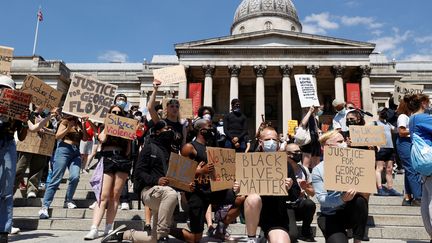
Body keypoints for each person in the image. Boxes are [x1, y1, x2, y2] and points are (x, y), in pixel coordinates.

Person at [101, 120, 183, 243]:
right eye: (167, 129)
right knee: (171, 194)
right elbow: (138, 172)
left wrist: (186, 186)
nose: (170, 131)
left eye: (172, 129)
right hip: (149, 192)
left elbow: (176, 178)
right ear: (157, 132)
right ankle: (163, 235)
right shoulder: (149, 148)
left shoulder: (172, 152)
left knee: (152, 239)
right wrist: (156, 180)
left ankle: (123, 235)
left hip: (165, 195)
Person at [170, 119, 244, 242]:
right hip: (197, 194)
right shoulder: (189, 147)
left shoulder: (212, 147)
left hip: (213, 190)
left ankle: (220, 229)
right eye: (210, 126)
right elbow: (178, 174)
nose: (212, 129)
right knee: (195, 238)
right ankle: (165, 229)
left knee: (240, 198)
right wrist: (200, 171)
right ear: (202, 130)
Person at [242, 126, 300, 243]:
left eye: (275, 140)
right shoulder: (249, 162)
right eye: (268, 139)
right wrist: (238, 189)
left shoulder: (285, 164)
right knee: (253, 198)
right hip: (254, 212)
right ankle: (251, 238)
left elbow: (295, 195)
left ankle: (265, 237)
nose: (272, 143)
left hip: (276, 214)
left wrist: (289, 187)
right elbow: (239, 194)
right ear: (260, 142)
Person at [84, 105, 132, 240]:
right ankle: (94, 228)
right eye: (113, 112)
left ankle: (108, 227)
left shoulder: (126, 127)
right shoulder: (105, 126)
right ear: (109, 114)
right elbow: (102, 139)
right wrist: (108, 124)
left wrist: (128, 136)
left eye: (119, 112)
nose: (116, 114)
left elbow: (128, 151)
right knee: (103, 195)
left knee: (115, 195)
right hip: (108, 158)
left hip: (121, 159)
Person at [312, 130, 368, 243]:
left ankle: (358, 240)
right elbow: (322, 199)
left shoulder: (356, 163)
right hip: (330, 215)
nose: (344, 144)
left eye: (344, 141)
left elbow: (366, 192)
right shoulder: (318, 170)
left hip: (349, 212)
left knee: (360, 201)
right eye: (340, 141)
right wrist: (341, 199)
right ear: (326, 147)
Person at [38, 114, 89, 218]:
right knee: (56, 178)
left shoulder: (79, 123)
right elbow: (57, 136)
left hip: (76, 151)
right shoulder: (65, 121)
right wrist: (68, 128)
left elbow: (84, 138)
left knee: (75, 177)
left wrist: (83, 124)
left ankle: (68, 200)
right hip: (64, 149)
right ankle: (45, 206)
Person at [0, 75, 28, 242]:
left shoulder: (17, 109)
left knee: (5, 189)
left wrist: (24, 121)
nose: (2, 92)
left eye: (6, 89)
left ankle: (3, 229)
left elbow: (22, 136)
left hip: (8, 144)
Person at [404, 94, 432, 239]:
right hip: (430, 159)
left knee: (427, 201)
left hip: (425, 163)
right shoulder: (422, 118)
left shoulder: (413, 118)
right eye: (428, 102)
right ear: (423, 103)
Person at [14, 105, 56, 199]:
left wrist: (45, 127)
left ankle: (32, 190)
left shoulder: (45, 117)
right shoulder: (28, 114)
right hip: (27, 145)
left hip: (41, 146)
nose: (43, 105)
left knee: (37, 169)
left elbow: (53, 131)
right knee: (20, 168)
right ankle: (11, 188)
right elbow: (32, 128)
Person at [285, 143, 316, 242]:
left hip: (300, 205)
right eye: (296, 152)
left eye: (299, 151)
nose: (299, 154)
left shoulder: (304, 170)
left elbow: (312, 193)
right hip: (287, 206)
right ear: (287, 154)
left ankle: (306, 231)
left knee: (310, 204)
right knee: (292, 236)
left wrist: (305, 188)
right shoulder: (280, 169)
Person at [147, 79, 186, 153]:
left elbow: (183, 147)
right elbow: (150, 108)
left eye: (177, 106)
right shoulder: (161, 123)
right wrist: (155, 89)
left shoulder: (182, 127)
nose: (175, 108)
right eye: (172, 106)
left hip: (174, 159)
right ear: (166, 109)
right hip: (160, 157)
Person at [396, 99, 422, 206]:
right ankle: (418, 197)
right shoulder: (403, 117)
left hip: (408, 142)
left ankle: (408, 197)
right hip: (404, 142)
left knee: (409, 170)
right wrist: (415, 130)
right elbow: (401, 132)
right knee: (412, 169)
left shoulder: (409, 117)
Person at [374, 107, 401, 196]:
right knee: (379, 168)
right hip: (381, 148)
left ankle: (390, 188)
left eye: (385, 112)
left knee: (389, 169)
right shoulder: (374, 124)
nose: (384, 113)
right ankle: (379, 188)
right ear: (378, 113)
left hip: (390, 148)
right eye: (382, 112)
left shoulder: (388, 124)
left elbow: (397, 130)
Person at [299, 106, 322, 171]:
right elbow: (303, 124)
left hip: (316, 143)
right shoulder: (307, 117)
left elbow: (316, 130)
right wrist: (310, 111)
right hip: (308, 143)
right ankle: (305, 178)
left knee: (316, 166)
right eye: (317, 107)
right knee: (306, 165)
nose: (319, 109)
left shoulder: (315, 119)